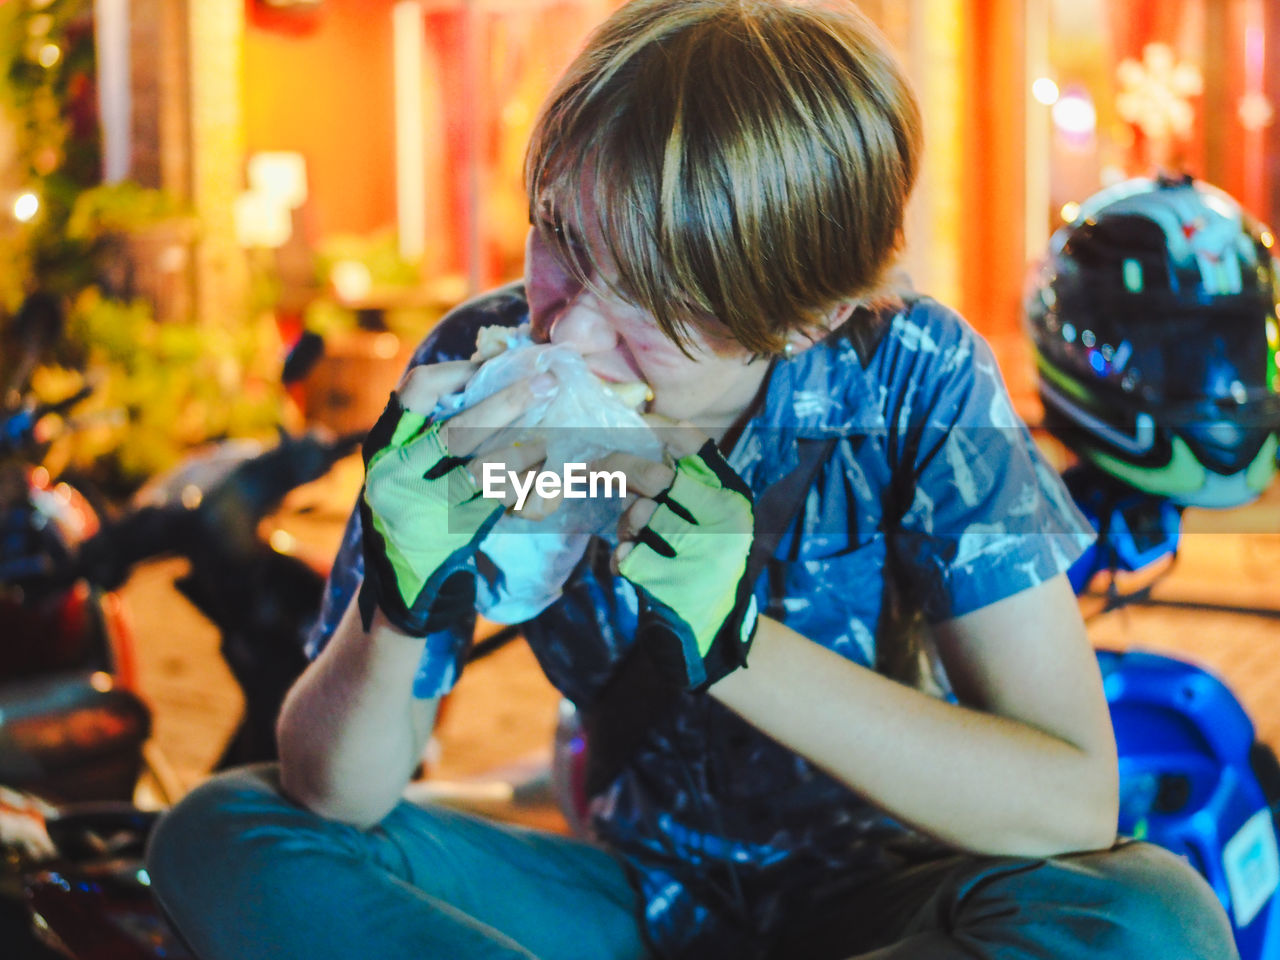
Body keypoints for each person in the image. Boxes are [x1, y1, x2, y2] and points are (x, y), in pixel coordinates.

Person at [145, 2, 1237, 958]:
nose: (565, 325)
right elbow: (340, 793)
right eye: (559, 238)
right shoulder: (482, 369)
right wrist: (395, 600)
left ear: (810, 313)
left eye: (657, 308)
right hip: (630, 899)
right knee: (220, 834)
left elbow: (1067, 797)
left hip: (887, 902)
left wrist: (736, 644)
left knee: (1145, 916)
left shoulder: (912, 376)